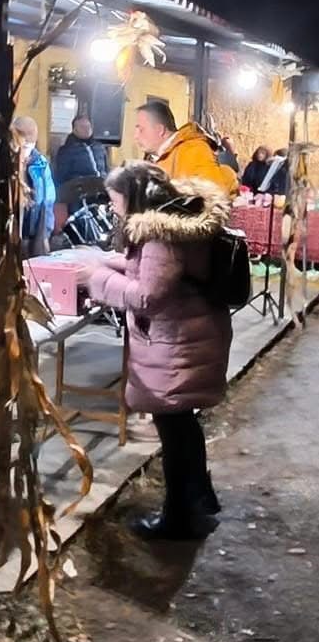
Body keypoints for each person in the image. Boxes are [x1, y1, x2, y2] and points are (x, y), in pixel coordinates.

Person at [77, 163, 231, 541]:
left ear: (134, 197)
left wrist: (97, 279)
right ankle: (199, 501)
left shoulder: (161, 235)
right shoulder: (175, 220)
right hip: (190, 334)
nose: (112, 208)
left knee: (174, 429)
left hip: (177, 343)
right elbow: (153, 269)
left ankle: (178, 519)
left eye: (115, 200)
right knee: (183, 426)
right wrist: (108, 262)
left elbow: (148, 296)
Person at [132, 101, 238, 194]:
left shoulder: (193, 151)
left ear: (160, 130)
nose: (136, 136)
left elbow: (212, 197)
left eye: (141, 129)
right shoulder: (155, 158)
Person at [12, 115, 56, 257]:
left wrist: (46, 234)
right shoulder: (6, 163)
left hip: (35, 233)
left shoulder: (41, 164)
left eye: (29, 146)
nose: (25, 151)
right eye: (23, 146)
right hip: (12, 234)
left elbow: (48, 201)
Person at [53, 115, 110, 191]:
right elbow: (61, 177)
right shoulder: (67, 150)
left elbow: (107, 169)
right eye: (82, 127)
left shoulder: (99, 147)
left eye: (88, 126)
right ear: (74, 130)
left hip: (103, 187)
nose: (87, 129)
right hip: (81, 189)